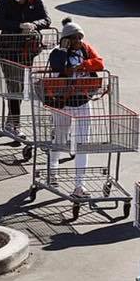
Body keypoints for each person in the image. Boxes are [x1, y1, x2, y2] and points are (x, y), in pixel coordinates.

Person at [46, 18, 105, 197]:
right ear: (66, 40)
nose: (78, 42)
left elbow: (100, 63)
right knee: (60, 139)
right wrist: (63, 50)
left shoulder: (86, 50)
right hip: (63, 103)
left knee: (82, 144)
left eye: (80, 37)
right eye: (74, 38)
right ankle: (52, 171)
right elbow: (57, 67)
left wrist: (82, 65)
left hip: (82, 101)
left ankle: (80, 185)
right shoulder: (57, 53)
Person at [0, 0, 51, 135]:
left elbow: (46, 20)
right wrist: (19, 25)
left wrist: (33, 24)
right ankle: (14, 124)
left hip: (27, 50)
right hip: (8, 49)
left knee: (22, 87)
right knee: (14, 86)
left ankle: (11, 120)